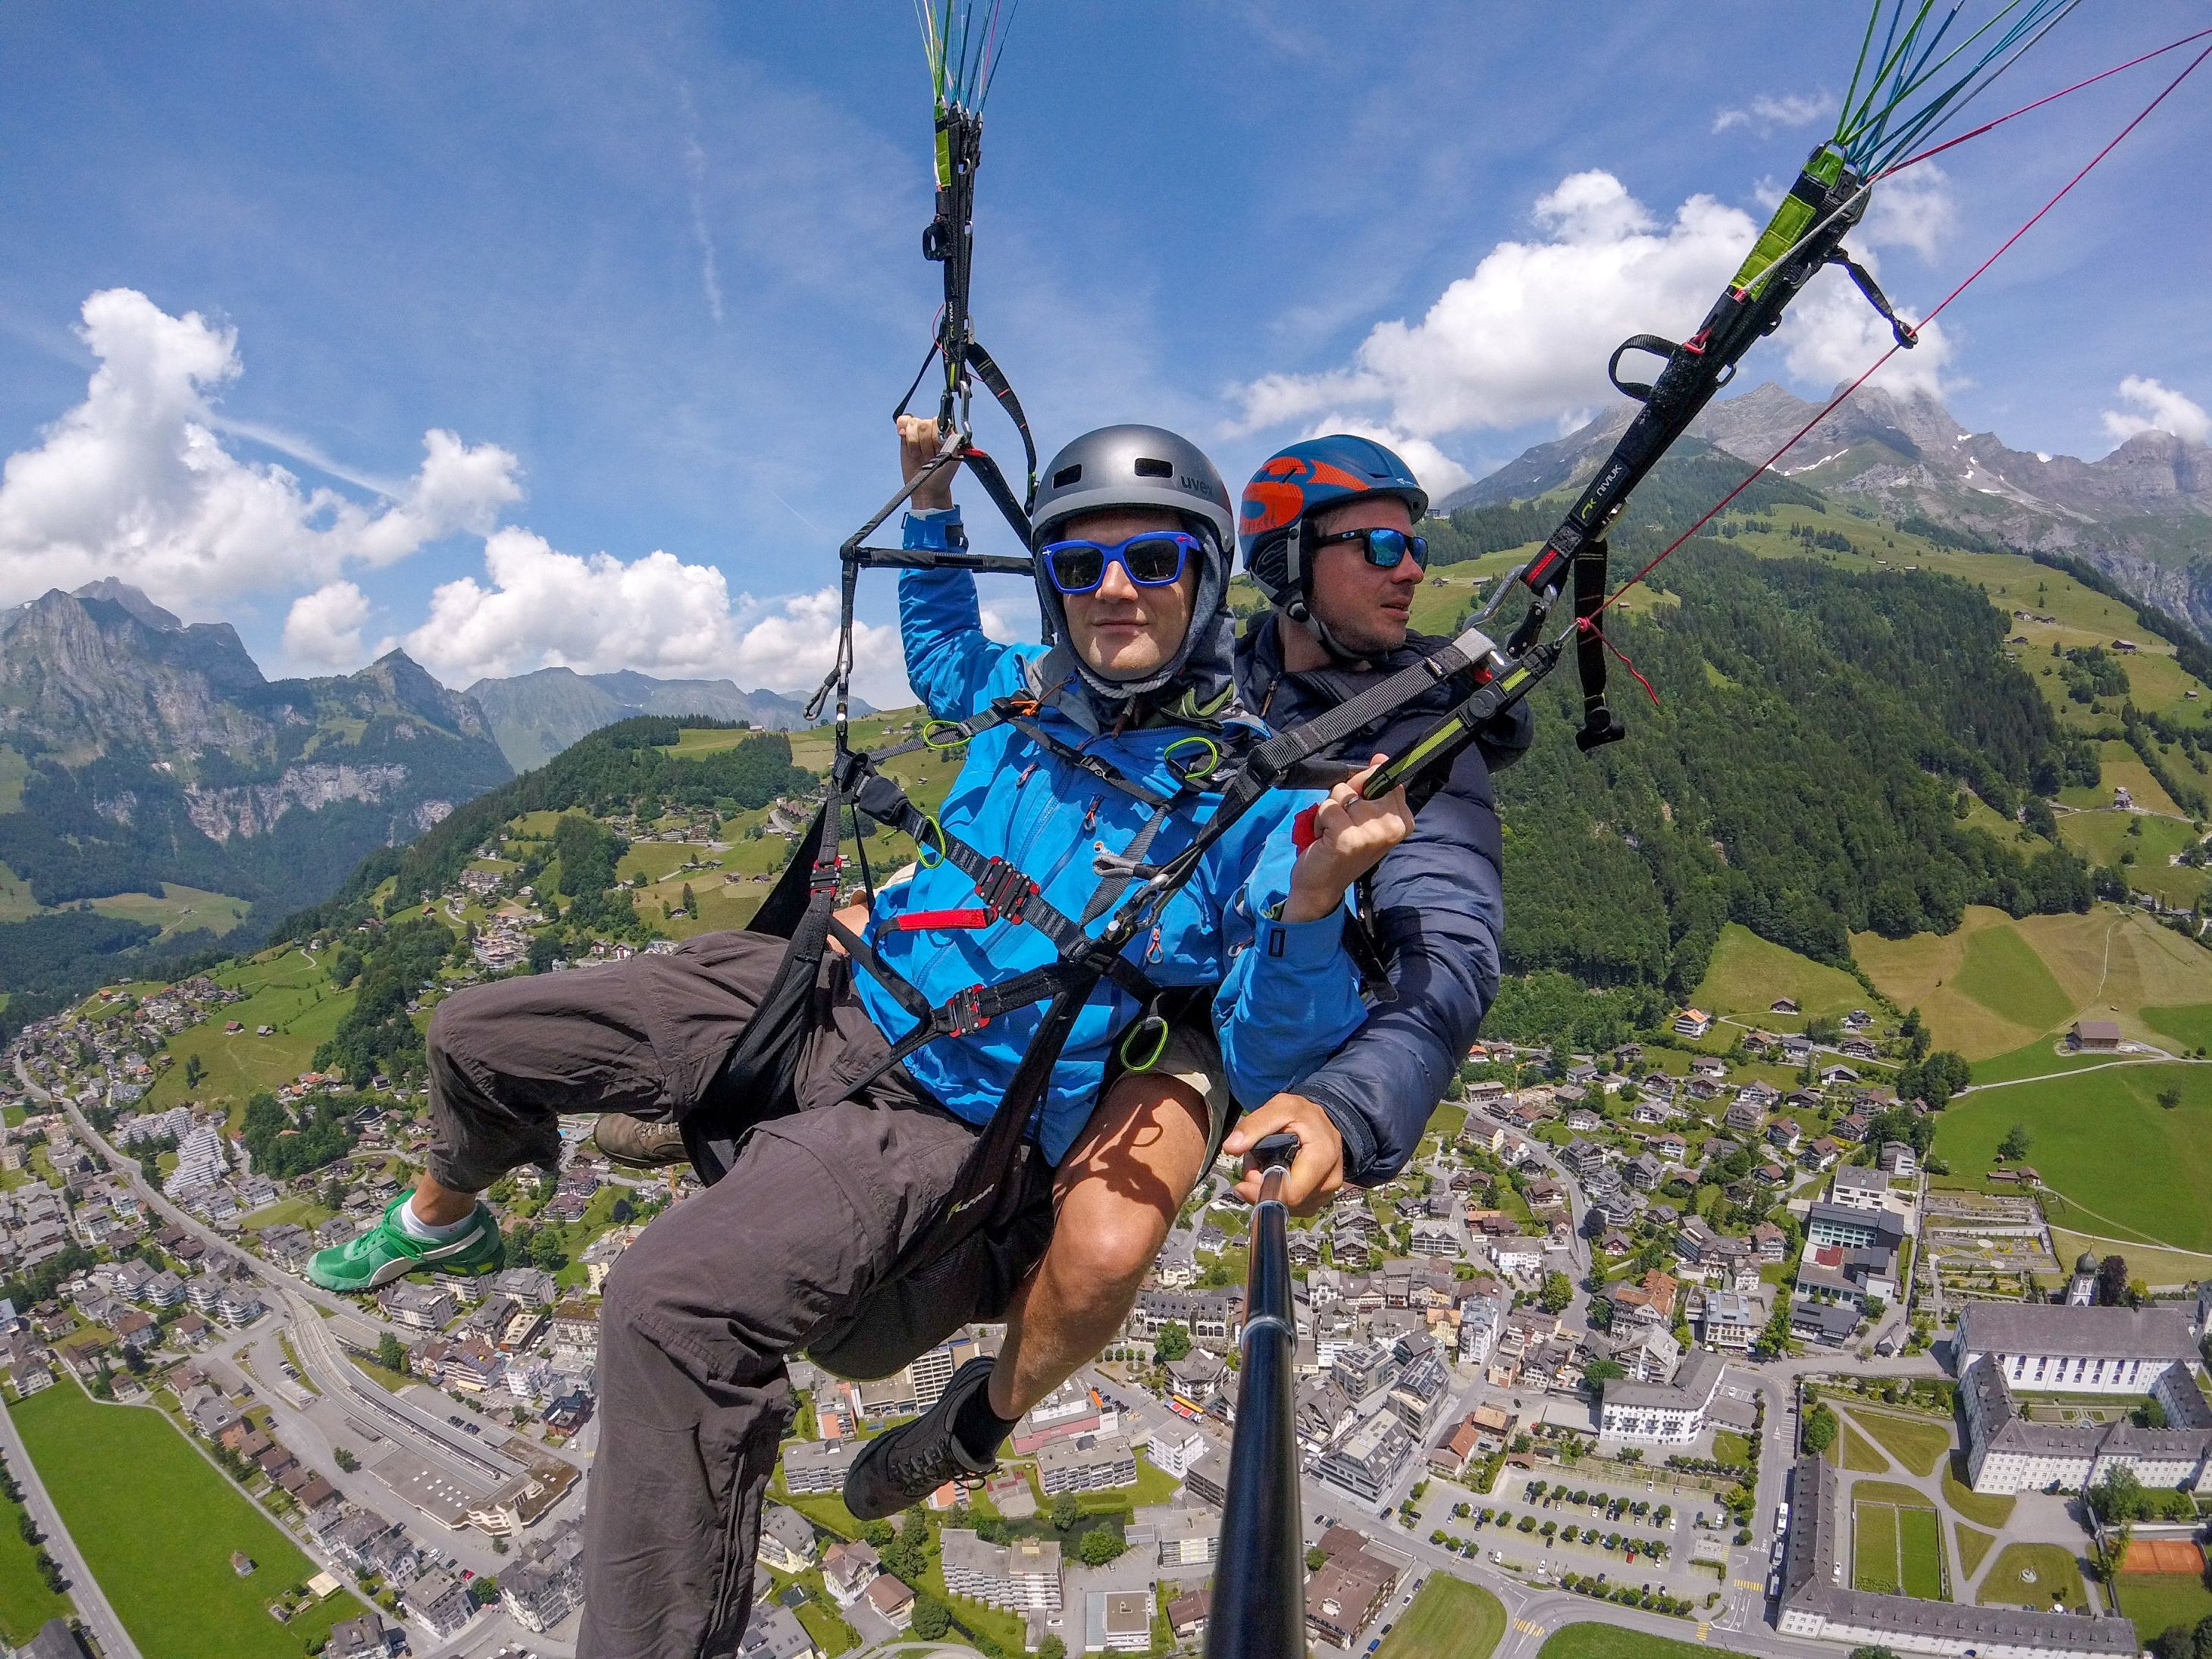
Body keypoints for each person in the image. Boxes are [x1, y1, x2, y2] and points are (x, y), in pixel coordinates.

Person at [306, 418, 1414, 1658]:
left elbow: (1269, 1044)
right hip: (830, 988)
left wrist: (1317, 895)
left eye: (1150, 561)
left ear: (1203, 580)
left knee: (662, 1303)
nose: (1112, 588)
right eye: (1076, 564)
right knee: (474, 1030)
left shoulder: (1240, 806)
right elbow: (941, 654)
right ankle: (443, 1217)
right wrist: (929, 503)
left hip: (927, 1114)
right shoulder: (1028, 695)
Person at [1221, 433, 1530, 1210]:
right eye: (1380, 545)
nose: (1411, 569)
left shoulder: (1420, 736)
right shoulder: (1222, 676)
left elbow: (1449, 944)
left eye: (1413, 545)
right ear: (1287, 564)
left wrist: (1347, 1106)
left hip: (1273, 1036)